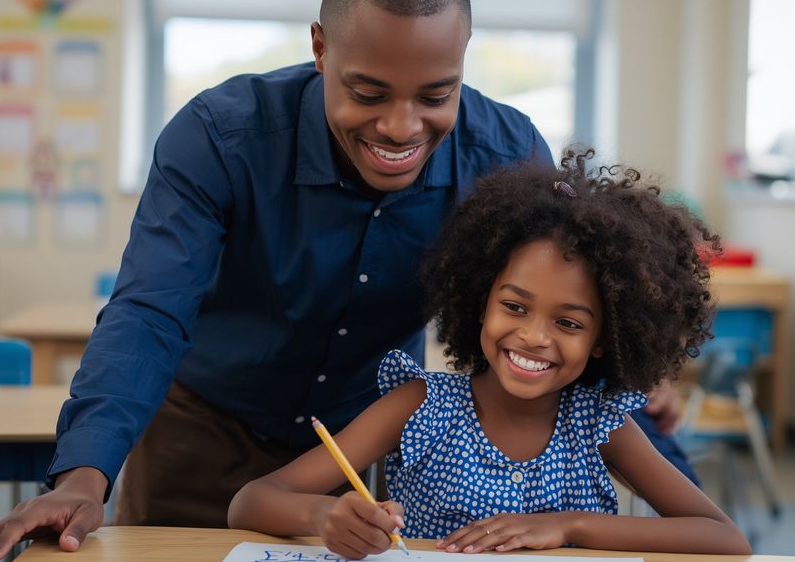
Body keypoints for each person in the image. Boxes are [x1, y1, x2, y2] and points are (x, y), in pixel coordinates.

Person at [0, 0, 690, 560]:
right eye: (368, 92)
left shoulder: (504, 155)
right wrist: (83, 475)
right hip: (200, 429)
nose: (401, 127)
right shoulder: (220, 138)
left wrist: (634, 371)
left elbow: (575, 284)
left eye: (435, 95)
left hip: (354, 446)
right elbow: (149, 312)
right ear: (320, 49)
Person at [228, 149, 750, 558]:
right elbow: (251, 502)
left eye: (568, 323)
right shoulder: (420, 405)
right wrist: (324, 516)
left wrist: (568, 525)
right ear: (480, 302)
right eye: (514, 307)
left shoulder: (599, 425)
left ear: (604, 340)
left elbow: (725, 539)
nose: (534, 336)